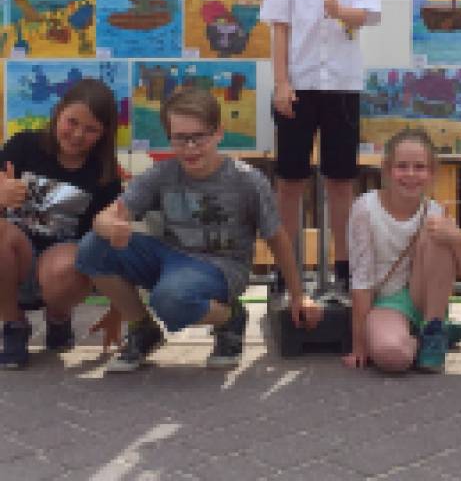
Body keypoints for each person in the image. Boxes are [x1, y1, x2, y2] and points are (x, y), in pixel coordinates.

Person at [76, 87, 321, 372]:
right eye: (180, 138)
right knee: (92, 247)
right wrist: (112, 226)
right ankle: (143, 329)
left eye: (199, 137)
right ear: (169, 138)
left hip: (221, 266)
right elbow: (104, 218)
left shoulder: (247, 181)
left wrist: (297, 294)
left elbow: (277, 239)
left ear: (218, 133)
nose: (190, 148)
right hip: (169, 257)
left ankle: (230, 318)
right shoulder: (162, 174)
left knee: (170, 299)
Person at [260, 0, 381, 293]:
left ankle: (345, 271)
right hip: (299, 85)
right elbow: (279, 27)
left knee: (340, 181)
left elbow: (365, 15)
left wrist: (338, 9)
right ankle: (285, 269)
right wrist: (280, 83)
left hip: (343, 88)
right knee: (289, 181)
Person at [0, 78, 122, 369]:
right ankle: (13, 324)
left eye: (91, 129)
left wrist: (119, 309)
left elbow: (114, 240)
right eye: (72, 122)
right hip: (15, 258)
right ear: (58, 113)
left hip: (62, 266)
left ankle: (59, 318)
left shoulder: (104, 173)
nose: (78, 134)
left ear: (104, 134)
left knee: (69, 263)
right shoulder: (24, 145)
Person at [343, 128, 461, 373]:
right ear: (386, 170)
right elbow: (362, 279)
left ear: (431, 173)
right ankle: (430, 339)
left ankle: (433, 327)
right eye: (402, 166)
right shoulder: (365, 209)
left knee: (436, 232)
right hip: (386, 302)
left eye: (419, 167)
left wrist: (458, 239)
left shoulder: (435, 211)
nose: (410, 175)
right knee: (393, 357)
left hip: (424, 299)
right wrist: (360, 345)